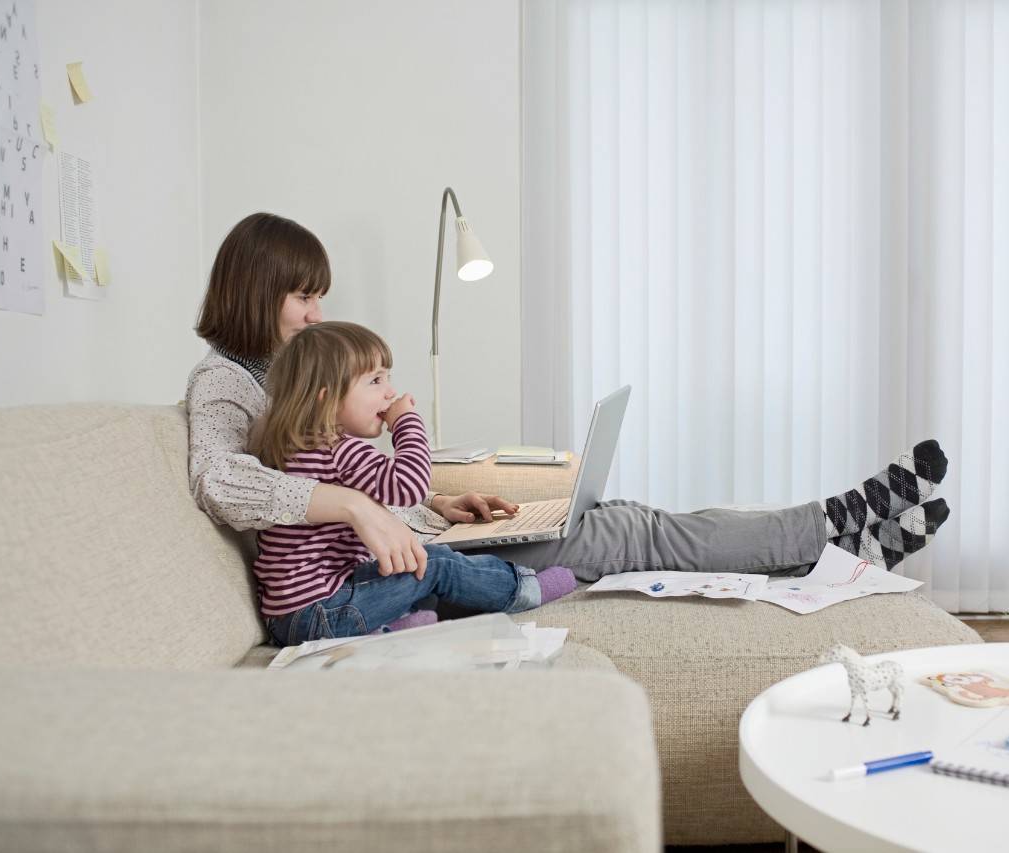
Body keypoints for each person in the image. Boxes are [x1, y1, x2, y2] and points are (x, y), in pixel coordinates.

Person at [186, 212, 951, 599]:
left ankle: (838, 553)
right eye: (303, 297)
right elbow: (219, 484)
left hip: (404, 548)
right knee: (627, 529)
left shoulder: (286, 376)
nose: (317, 315)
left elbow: (352, 486)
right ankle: (832, 523)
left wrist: (432, 509)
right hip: (374, 580)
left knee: (621, 516)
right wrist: (362, 512)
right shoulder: (225, 382)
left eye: (320, 297)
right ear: (258, 292)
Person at [247, 320, 575, 646]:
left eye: (388, 378)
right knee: (436, 564)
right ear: (326, 398)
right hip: (324, 613)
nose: (390, 392)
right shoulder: (337, 450)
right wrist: (406, 423)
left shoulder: (296, 447)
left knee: (401, 566)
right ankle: (523, 590)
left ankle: (390, 629)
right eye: (375, 380)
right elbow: (408, 487)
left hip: (291, 618)